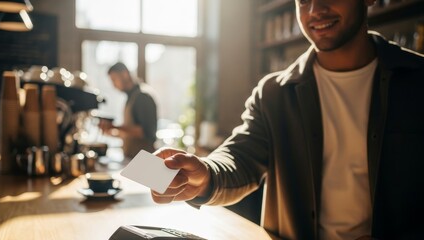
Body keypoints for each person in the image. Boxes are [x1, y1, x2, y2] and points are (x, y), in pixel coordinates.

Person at [150, 0, 424, 239]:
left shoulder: (417, 81)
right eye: (303, 0)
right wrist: (205, 176)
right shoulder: (274, 93)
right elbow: (239, 158)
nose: (315, 10)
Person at [98, 62, 158, 158]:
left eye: (114, 80)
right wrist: (112, 132)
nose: (113, 85)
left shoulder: (142, 96)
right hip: (132, 158)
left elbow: (145, 132)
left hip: (143, 161)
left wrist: (114, 127)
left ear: (124, 74)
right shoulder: (131, 97)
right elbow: (130, 134)